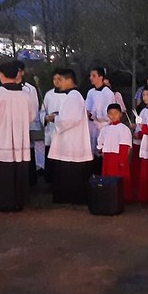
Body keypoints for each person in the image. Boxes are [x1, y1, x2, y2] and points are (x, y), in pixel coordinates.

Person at [0, 62, 36, 212]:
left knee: (2, 171)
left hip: (2, 138)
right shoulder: (25, 95)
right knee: (19, 170)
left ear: (1, 75)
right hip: (21, 139)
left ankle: (3, 203)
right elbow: (32, 116)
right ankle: (19, 201)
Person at [47, 69, 93, 205]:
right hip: (69, 139)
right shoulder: (72, 96)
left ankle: (71, 198)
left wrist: (55, 118)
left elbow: (70, 119)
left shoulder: (74, 96)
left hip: (71, 141)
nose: (58, 84)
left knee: (70, 172)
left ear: (68, 80)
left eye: (60, 80)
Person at [85, 67, 125, 164]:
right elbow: (87, 108)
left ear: (101, 77)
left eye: (94, 76)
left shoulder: (108, 93)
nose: (91, 78)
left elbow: (108, 114)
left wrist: (94, 114)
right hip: (91, 127)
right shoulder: (90, 92)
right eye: (90, 76)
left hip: (104, 126)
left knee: (101, 154)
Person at [97, 104, 134, 201]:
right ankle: (109, 196)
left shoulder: (123, 129)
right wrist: (100, 150)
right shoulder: (105, 129)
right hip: (107, 157)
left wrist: (122, 160)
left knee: (120, 178)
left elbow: (125, 145)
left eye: (116, 113)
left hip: (118, 157)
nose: (113, 116)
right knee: (107, 176)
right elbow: (100, 142)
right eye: (110, 113)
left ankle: (123, 197)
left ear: (120, 114)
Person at [39, 71, 69, 182]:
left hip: (64, 131)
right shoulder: (49, 94)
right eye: (54, 79)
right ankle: (51, 181)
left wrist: (59, 117)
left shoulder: (69, 95)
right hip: (51, 131)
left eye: (59, 79)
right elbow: (42, 111)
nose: (56, 82)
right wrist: (46, 118)